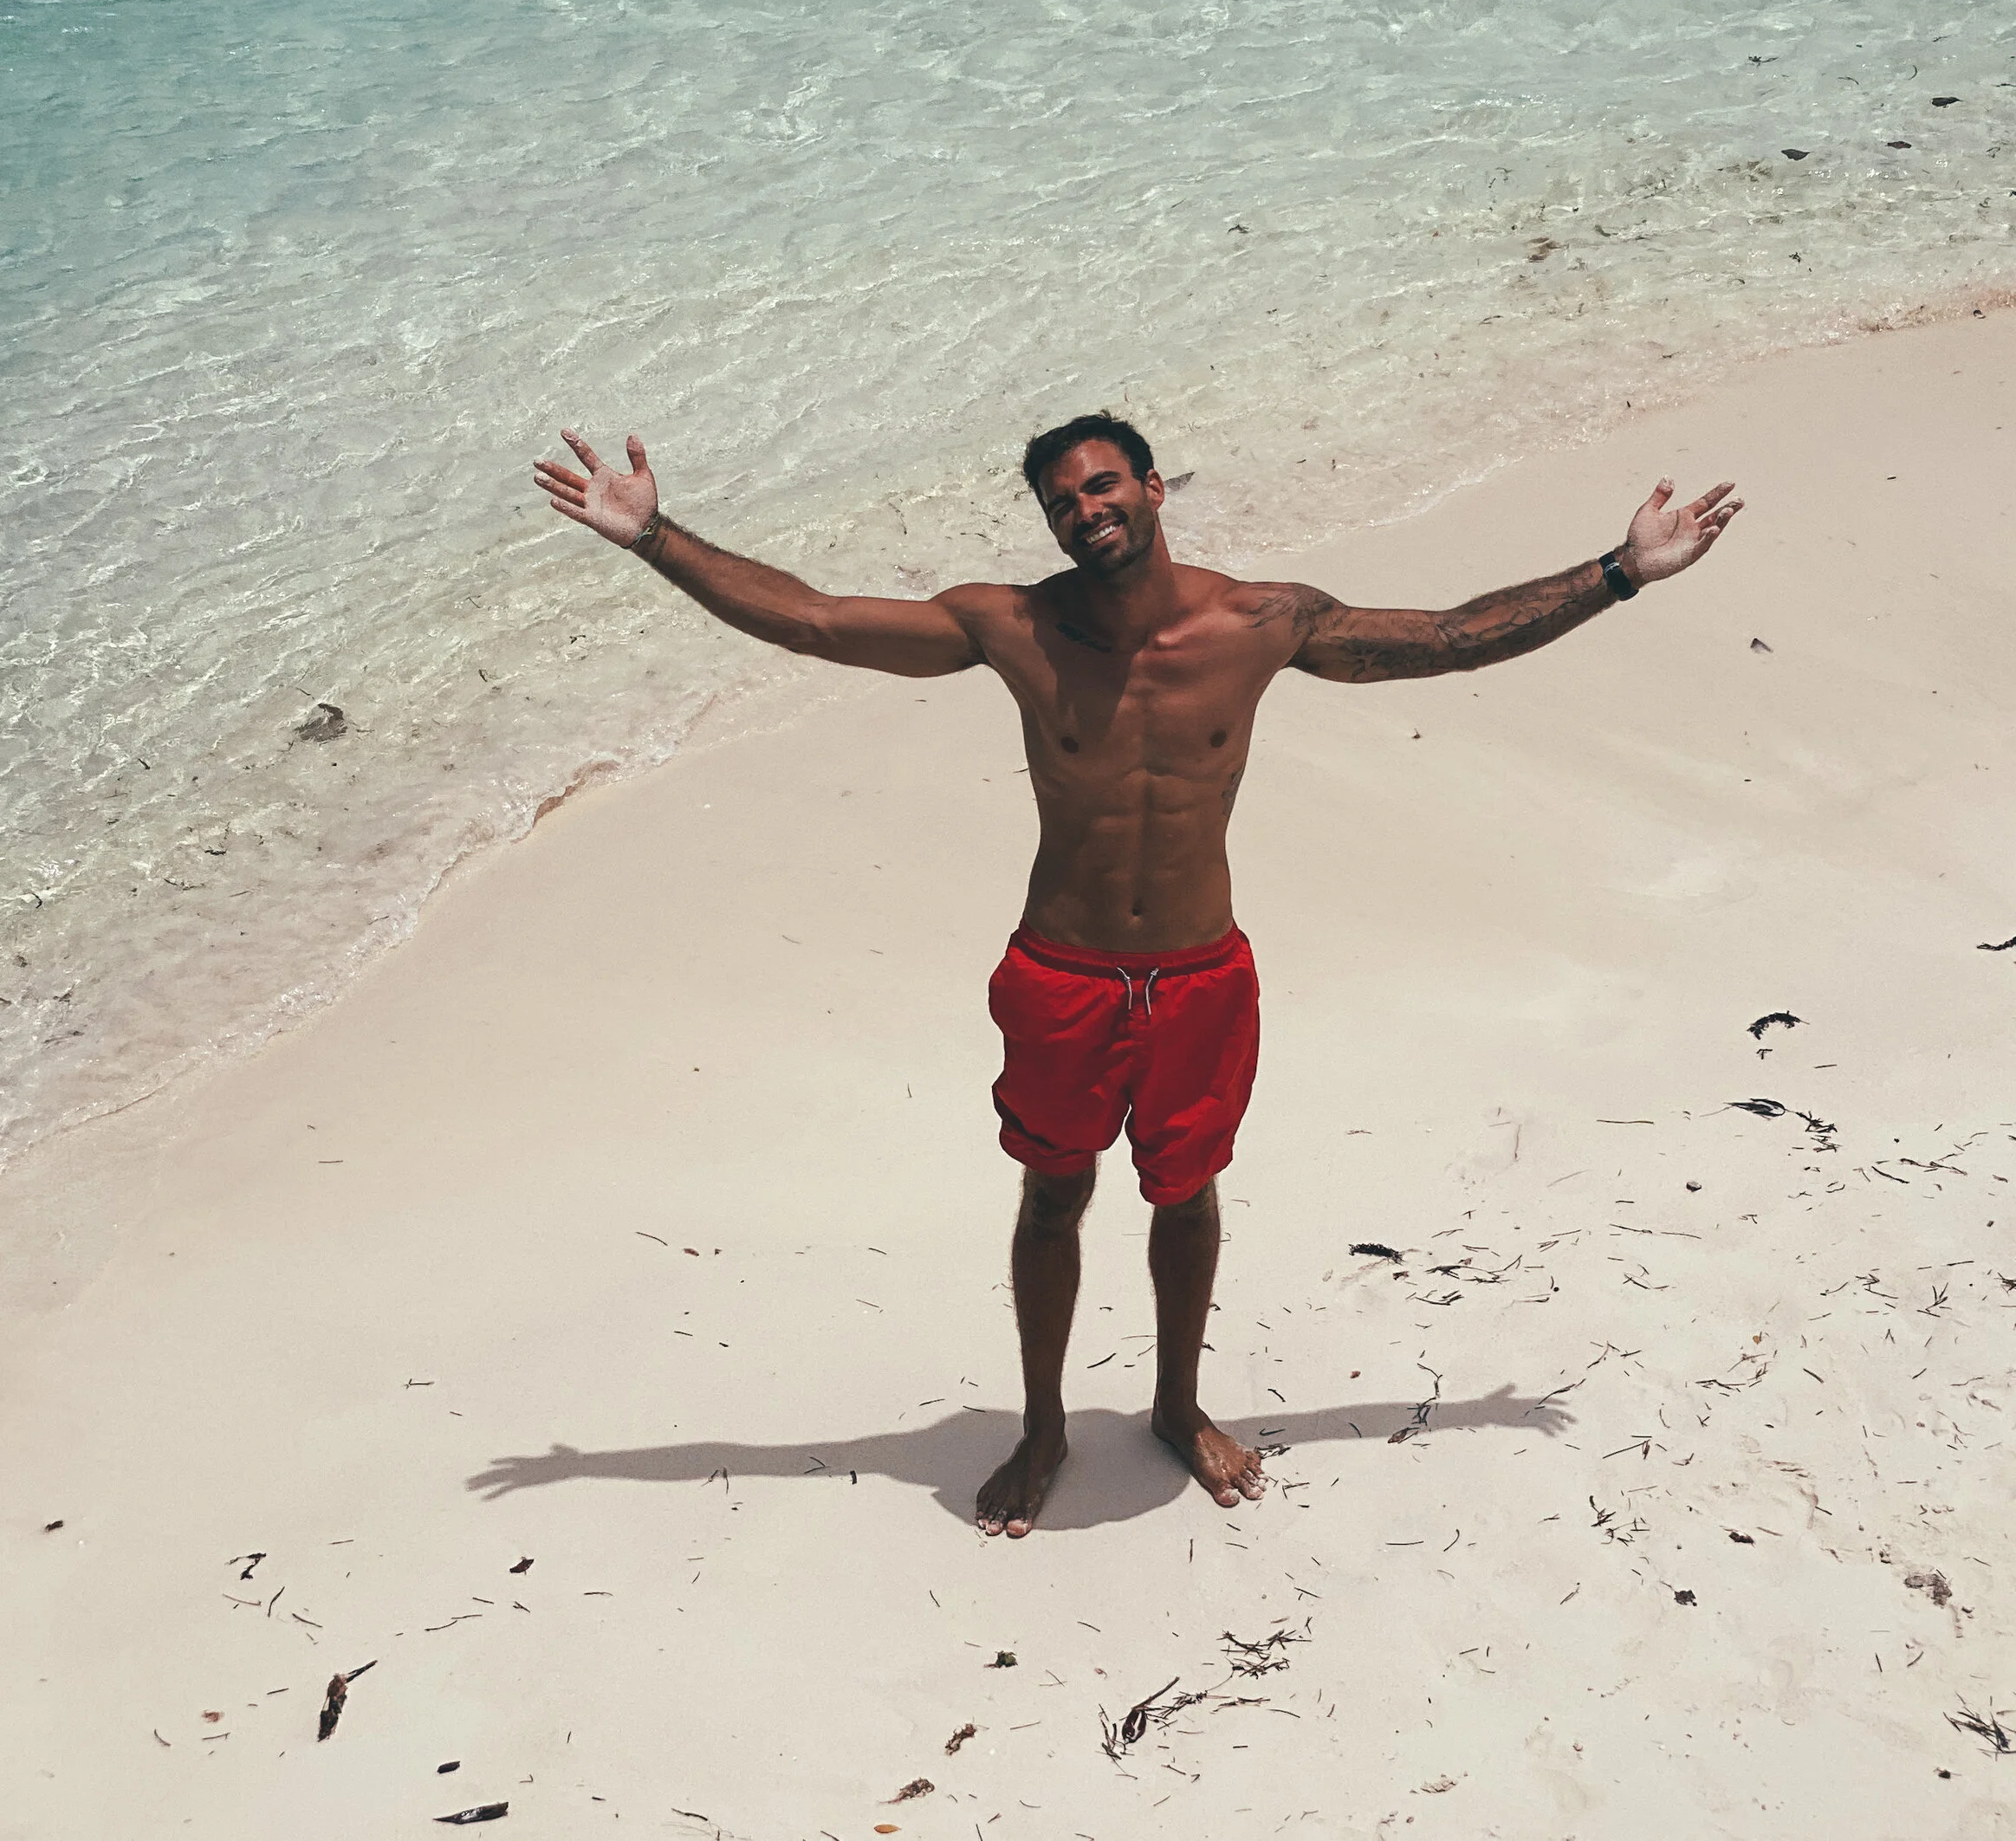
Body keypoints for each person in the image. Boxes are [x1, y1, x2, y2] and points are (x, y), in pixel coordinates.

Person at [533, 412, 1741, 1536]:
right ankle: (1046, 1423)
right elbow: (815, 619)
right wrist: (654, 537)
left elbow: (1451, 637)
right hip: (1062, 974)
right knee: (1053, 1198)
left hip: (1201, 973)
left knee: (1187, 1196)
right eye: (1063, 501)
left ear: (1153, 488)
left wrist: (1619, 570)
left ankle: (1175, 1405)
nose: (1085, 510)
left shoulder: (1264, 620)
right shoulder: (1010, 626)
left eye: (1103, 484)